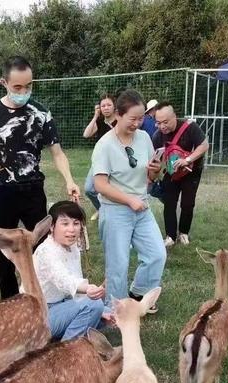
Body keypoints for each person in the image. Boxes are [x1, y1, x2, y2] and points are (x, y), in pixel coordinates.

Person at [0, 56, 81, 299]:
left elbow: (57, 152)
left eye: (28, 86)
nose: (23, 92)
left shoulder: (40, 113)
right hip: (2, 192)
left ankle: (43, 301)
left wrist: (69, 179)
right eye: (17, 87)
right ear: (4, 83)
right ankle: (9, 305)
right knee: (5, 254)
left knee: (43, 250)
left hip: (33, 191)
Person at [93, 89, 166, 313]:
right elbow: (100, 185)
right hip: (116, 211)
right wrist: (129, 200)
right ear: (118, 115)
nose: (138, 123)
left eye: (142, 117)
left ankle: (137, 295)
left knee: (157, 254)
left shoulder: (144, 138)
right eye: (133, 118)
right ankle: (114, 311)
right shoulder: (105, 145)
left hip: (141, 207)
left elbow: (151, 176)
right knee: (118, 265)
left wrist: (155, 170)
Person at [33, 201, 107, 340]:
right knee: (94, 305)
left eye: (76, 223)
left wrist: (103, 311)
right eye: (65, 224)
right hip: (39, 315)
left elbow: (74, 292)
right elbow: (64, 280)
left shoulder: (72, 247)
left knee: (106, 310)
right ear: (52, 227)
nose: (72, 229)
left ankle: (71, 341)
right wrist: (88, 289)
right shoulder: (46, 251)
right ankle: (66, 352)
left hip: (61, 305)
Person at [152, 103, 209, 248]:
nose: (162, 126)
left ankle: (184, 232)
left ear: (174, 117)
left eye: (165, 122)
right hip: (170, 173)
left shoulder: (190, 128)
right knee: (169, 203)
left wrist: (187, 160)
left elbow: (204, 145)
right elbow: (156, 157)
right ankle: (170, 236)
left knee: (187, 203)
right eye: (158, 123)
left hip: (191, 172)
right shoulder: (157, 136)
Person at [81, 94, 117, 222]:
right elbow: (86, 134)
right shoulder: (99, 122)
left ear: (114, 106)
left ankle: (113, 213)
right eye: (103, 106)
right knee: (89, 189)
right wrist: (96, 116)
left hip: (116, 162)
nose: (106, 108)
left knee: (113, 191)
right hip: (99, 162)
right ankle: (102, 209)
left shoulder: (120, 121)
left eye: (109, 105)